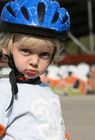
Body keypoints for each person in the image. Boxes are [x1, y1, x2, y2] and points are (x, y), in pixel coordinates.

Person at [0, 0, 70, 139]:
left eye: (44, 54)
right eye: (25, 51)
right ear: (7, 48)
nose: (34, 62)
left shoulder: (47, 90)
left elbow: (58, 130)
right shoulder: (4, 91)